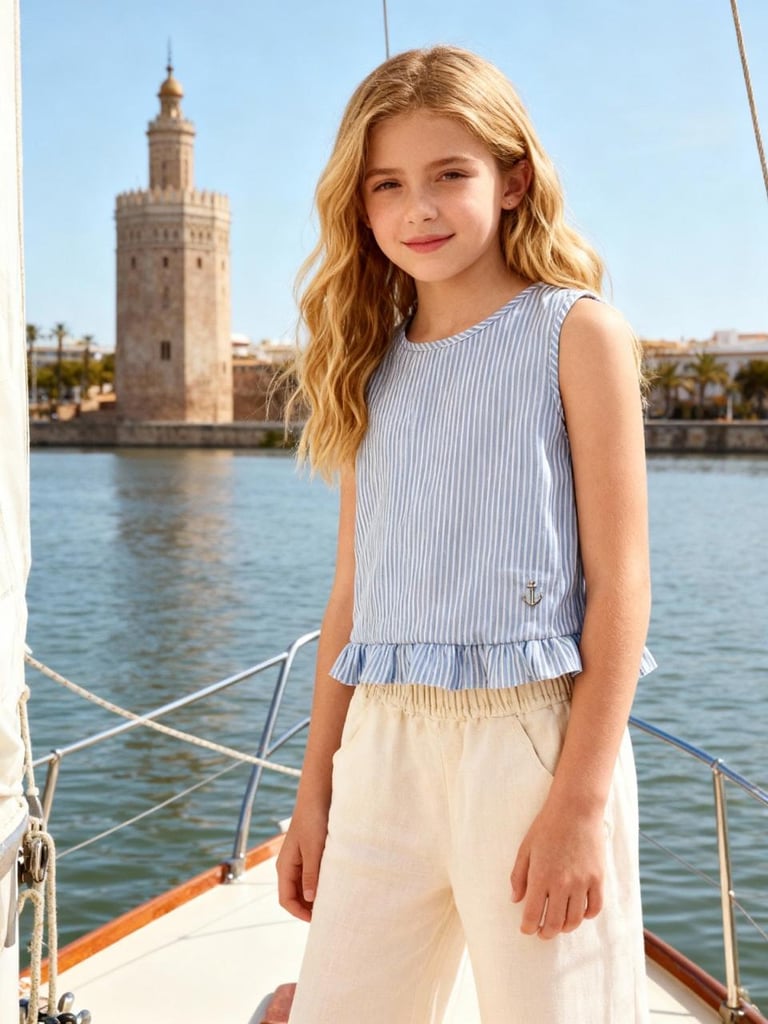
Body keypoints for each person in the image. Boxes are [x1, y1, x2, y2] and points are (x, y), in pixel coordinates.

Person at [277, 44, 656, 1024]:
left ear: (514, 180)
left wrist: (578, 806)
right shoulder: (367, 370)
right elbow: (351, 601)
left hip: (533, 747)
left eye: (451, 174)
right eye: (388, 185)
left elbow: (622, 585)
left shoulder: (576, 334)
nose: (420, 209)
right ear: (359, 206)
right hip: (382, 749)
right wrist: (312, 793)